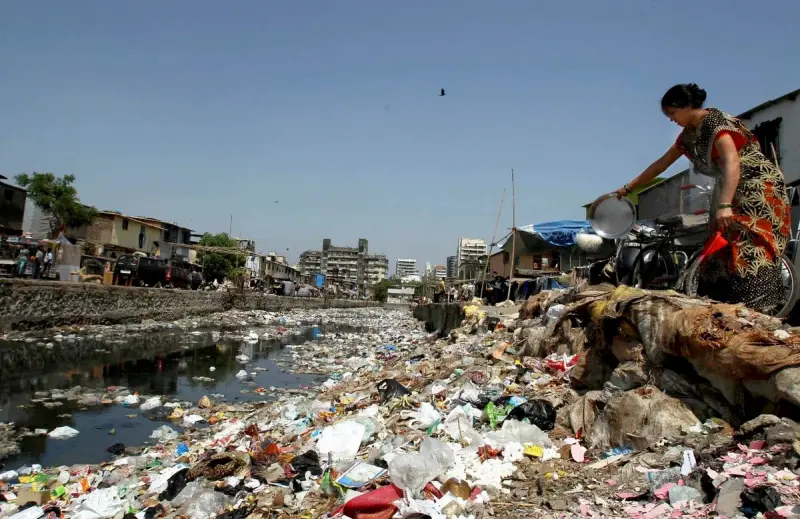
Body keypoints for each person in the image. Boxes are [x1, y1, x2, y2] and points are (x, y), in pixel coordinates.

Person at [611, 83, 790, 314]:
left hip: (756, 186)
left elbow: (731, 161)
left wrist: (724, 204)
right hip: (728, 186)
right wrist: (629, 187)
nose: (671, 119)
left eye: (672, 113)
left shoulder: (715, 122)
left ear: (685, 107)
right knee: (718, 244)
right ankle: (725, 309)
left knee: (748, 245)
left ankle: (759, 310)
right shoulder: (688, 136)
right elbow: (661, 165)